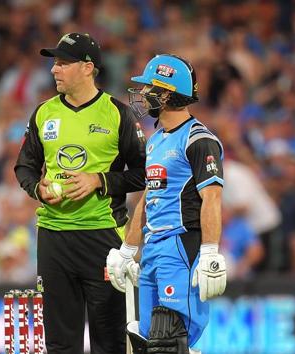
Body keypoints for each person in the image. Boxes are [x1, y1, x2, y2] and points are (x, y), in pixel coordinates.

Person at [14, 32, 146, 354]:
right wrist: (37, 188)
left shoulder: (118, 113)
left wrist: (99, 180)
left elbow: (144, 175)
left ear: (88, 68)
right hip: (53, 237)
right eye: (54, 63)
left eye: (62, 63)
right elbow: (24, 167)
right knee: (59, 342)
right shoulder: (43, 113)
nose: (54, 70)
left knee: (109, 340)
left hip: (103, 237)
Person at [106, 54, 227, 354]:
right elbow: (149, 198)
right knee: (146, 340)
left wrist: (210, 251)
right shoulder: (156, 139)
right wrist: (129, 250)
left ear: (167, 93)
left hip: (181, 246)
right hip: (153, 247)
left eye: (150, 88)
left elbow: (211, 198)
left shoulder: (199, 139)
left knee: (169, 339)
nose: (144, 94)